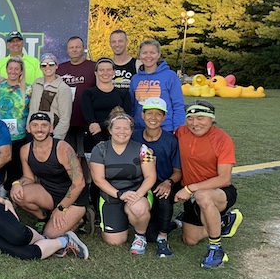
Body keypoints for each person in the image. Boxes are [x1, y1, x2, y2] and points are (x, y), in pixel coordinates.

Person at [174, 100, 243, 269]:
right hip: (192, 194)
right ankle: (224, 221)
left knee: (202, 196)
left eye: (201, 118)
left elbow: (224, 178)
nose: (195, 123)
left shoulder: (222, 139)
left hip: (218, 191)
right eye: (190, 118)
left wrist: (189, 188)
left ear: (212, 119)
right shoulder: (181, 132)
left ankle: (216, 249)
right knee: (190, 240)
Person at [10, 113, 88, 239]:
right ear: (28, 128)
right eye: (35, 125)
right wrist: (16, 184)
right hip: (49, 193)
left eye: (44, 125)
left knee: (49, 236)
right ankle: (43, 217)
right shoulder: (25, 150)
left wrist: (62, 208)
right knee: (18, 195)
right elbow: (29, 178)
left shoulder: (63, 148)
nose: (39, 129)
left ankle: (80, 219)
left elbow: (79, 183)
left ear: (51, 128)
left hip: (74, 198)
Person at [89, 108, 156, 254]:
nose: (122, 132)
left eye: (126, 128)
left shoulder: (143, 149)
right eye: (117, 128)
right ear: (110, 130)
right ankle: (123, 219)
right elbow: (98, 179)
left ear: (132, 131)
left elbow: (151, 176)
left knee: (138, 208)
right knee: (115, 241)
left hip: (136, 194)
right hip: (111, 196)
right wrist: (119, 194)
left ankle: (140, 236)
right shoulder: (99, 150)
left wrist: (138, 194)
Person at [132, 97, 182, 257]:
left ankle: (163, 238)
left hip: (164, 182)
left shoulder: (171, 140)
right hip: (143, 183)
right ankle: (171, 224)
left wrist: (168, 182)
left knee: (163, 195)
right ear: (142, 115)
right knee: (149, 235)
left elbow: (178, 171)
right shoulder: (134, 137)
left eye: (158, 114)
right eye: (149, 113)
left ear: (164, 117)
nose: (153, 117)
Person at [129, 39, 185, 132]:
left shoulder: (170, 76)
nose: (148, 56)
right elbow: (132, 106)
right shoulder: (135, 79)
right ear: (139, 55)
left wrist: (177, 129)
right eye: (144, 53)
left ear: (158, 55)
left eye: (152, 53)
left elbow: (178, 105)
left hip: (165, 129)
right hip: (140, 130)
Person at [81, 58, 134, 154]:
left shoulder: (124, 94)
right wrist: (100, 141)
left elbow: (125, 119)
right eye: (101, 70)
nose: (105, 73)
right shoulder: (88, 93)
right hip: (94, 139)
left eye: (109, 70)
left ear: (114, 72)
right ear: (96, 73)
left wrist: (101, 126)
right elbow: (91, 122)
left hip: (118, 139)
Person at [0, 56, 31, 191]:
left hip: (19, 136)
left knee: (16, 169)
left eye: (16, 69)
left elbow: (32, 110)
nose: (13, 72)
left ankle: (12, 193)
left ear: (21, 71)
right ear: (6, 70)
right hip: (0, 135)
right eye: (11, 68)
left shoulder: (29, 89)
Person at [58, 36, 96, 161]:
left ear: (83, 48)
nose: (74, 50)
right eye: (71, 47)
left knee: (86, 157)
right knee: (67, 156)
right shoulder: (60, 69)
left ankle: (87, 175)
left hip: (85, 120)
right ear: (67, 50)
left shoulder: (93, 67)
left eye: (77, 47)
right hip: (65, 121)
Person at [27, 52, 72, 141]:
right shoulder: (36, 83)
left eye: (51, 64)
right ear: (40, 67)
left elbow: (65, 118)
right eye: (44, 65)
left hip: (51, 134)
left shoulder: (63, 88)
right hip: (33, 132)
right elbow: (32, 108)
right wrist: (28, 127)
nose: (47, 67)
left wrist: (57, 138)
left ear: (56, 66)